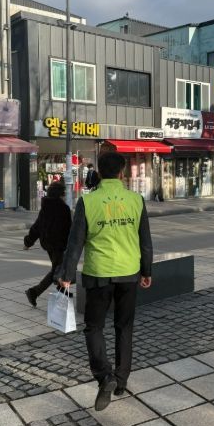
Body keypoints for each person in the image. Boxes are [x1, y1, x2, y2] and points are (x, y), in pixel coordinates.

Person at [57, 151, 152, 411]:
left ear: (99, 172)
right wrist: (147, 271)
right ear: (122, 173)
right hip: (129, 272)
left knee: (94, 327)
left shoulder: (88, 202)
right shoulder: (136, 200)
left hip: (98, 273)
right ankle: (121, 380)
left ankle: (104, 375)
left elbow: (75, 242)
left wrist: (66, 275)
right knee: (124, 327)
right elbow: (145, 240)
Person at [23, 182, 72, 307]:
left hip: (49, 244)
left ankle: (62, 291)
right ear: (60, 194)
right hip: (59, 245)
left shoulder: (46, 208)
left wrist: (28, 242)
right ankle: (34, 292)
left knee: (59, 269)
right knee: (58, 270)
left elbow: (37, 227)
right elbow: (69, 229)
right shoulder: (64, 209)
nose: (65, 195)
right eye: (64, 193)